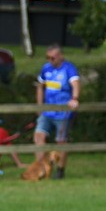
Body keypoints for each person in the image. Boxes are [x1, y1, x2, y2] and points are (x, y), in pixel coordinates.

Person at [35, 44, 80, 179]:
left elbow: (76, 84)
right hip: (47, 111)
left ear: (60, 56)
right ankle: (40, 168)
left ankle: (60, 170)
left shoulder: (69, 68)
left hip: (63, 112)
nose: (50, 60)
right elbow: (40, 86)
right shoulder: (46, 68)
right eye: (47, 57)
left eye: (52, 58)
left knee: (61, 141)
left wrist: (74, 98)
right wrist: (39, 106)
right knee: (39, 137)